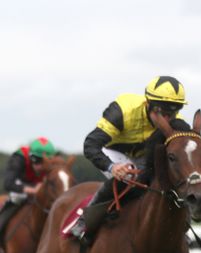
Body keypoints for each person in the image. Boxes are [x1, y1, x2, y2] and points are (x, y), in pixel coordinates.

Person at [69, 76, 189, 241]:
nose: (166, 120)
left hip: (143, 157)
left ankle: (180, 227)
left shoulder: (178, 123)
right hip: (112, 150)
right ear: (148, 104)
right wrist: (112, 167)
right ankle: (85, 220)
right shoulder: (122, 111)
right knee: (129, 176)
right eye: (162, 113)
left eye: (173, 113)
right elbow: (91, 144)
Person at [0, 137, 58, 242]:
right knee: (17, 197)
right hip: (20, 187)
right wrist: (28, 190)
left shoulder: (53, 164)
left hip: (39, 188)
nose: (40, 166)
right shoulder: (19, 158)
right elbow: (8, 183)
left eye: (43, 162)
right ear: (30, 156)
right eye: (36, 160)